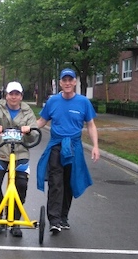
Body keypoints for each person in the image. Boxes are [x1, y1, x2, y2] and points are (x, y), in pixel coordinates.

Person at [36, 68, 100, 234]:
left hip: (74, 147)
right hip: (56, 146)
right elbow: (42, 121)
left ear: (75, 82)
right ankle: (54, 220)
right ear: (60, 83)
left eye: (70, 80)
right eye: (64, 80)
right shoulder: (53, 101)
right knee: (55, 182)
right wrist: (26, 130)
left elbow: (91, 125)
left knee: (69, 183)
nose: (67, 83)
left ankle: (63, 217)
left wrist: (95, 146)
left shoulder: (83, 102)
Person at [0, 81, 37, 237]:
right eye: (11, 94)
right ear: (6, 95)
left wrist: (29, 131)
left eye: (17, 94)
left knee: (21, 185)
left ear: (21, 96)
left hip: (20, 153)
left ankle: (14, 220)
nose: (13, 97)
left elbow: (34, 132)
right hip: (1, 152)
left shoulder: (27, 112)